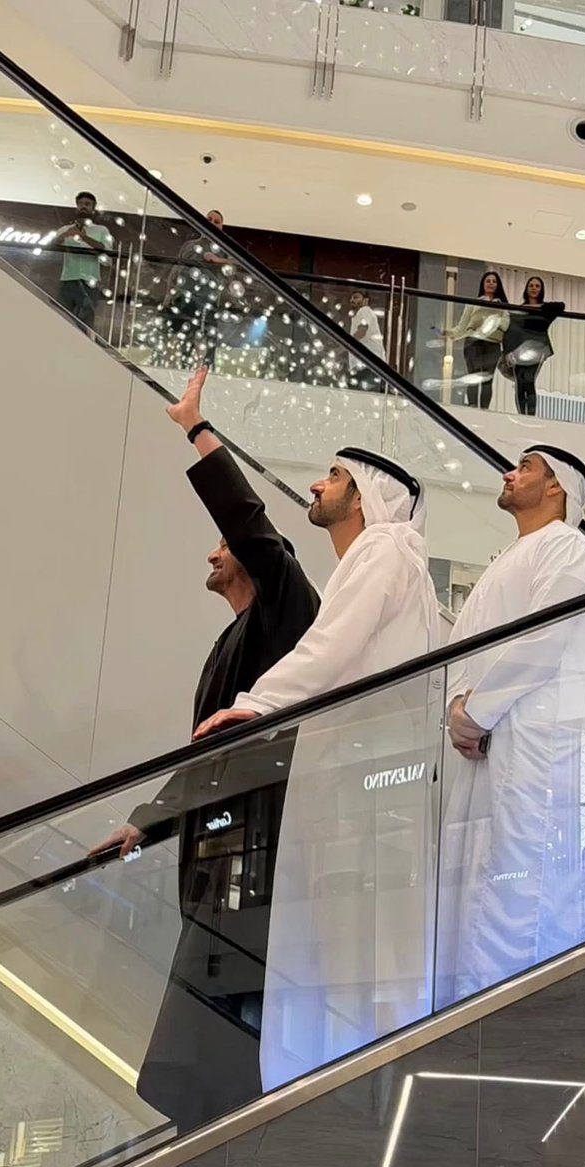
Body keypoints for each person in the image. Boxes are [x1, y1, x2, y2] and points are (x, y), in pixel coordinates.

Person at [89, 366, 319, 1134]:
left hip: (258, 858)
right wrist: (143, 824)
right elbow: (198, 760)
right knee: (197, 1024)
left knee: (221, 1028)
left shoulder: (288, 615)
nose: (211, 558)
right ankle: (196, 1142)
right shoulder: (230, 641)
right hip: (216, 857)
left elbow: (255, 525)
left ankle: (212, 1143)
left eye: (224, 547)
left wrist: (197, 431)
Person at [193, 448, 442, 1090]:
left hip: (366, 787)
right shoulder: (369, 563)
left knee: (356, 953)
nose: (318, 483)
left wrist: (256, 704)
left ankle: (355, 1094)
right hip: (353, 782)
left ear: (362, 495)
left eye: (334, 476)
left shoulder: (385, 551)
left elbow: (326, 650)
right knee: (340, 954)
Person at [437, 444, 585, 1009]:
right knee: (478, 886)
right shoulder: (509, 558)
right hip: (485, 745)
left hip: (534, 744)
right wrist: (459, 709)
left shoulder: (568, 549)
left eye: (525, 467)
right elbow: (462, 647)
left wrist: (475, 713)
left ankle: (520, 1024)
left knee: (527, 885)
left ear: (556, 488)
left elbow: (544, 640)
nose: (510, 474)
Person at [165, 209, 234, 368]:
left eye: (216, 221)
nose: (211, 223)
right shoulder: (190, 245)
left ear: (221, 227)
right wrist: (168, 293)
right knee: (187, 333)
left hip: (208, 299)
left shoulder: (224, 247)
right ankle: (184, 366)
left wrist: (217, 260)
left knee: (210, 335)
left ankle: (208, 368)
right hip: (185, 297)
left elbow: (236, 263)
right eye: (209, 219)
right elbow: (176, 268)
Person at [500, 276, 564, 416]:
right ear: (526, 289)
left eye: (537, 286)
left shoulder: (545, 310)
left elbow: (561, 306)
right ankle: (522, 414)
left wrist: (540, 306)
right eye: (531, 285)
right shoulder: (518, 310)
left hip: (537, 348)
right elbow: (510, 331)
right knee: (520, 382)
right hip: (519, 349)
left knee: (529, 380)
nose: (534, 288)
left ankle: (531, 415)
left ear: (541, 290)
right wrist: (507, 352)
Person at [445, 271, 510, 409]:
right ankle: (473, 406)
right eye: (488, 281)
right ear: (483, 284)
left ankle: (485, 409)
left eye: (494, 281)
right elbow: (462, 327)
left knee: (488, 378)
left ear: (498, 285)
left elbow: (505, 325)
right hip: (473, 341)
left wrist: (489, 317)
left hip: (493, 343)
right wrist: (448, 333)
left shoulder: (504, 306)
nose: (491, 283)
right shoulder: (473, 303)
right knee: (473, 376)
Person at [54, 191, 112, 331]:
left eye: (87, 204)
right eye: (80, 204)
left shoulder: (101, 230)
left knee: (85, 322)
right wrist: (64, 236)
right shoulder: (64, 230)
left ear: (93, 208)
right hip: (67, 279)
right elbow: (50, 247)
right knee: (61, 318)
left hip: (90, 282)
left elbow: (107, 258)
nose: (83, 207)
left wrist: (84, 237)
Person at [348, 290, 385, 390]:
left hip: (367, 365)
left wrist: (346, 341)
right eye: (351, 298)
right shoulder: (361, 314)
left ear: (366, 300)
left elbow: (362, 330)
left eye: (356, 297)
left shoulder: (364, 310)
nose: (351, 300)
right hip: (367, 365)